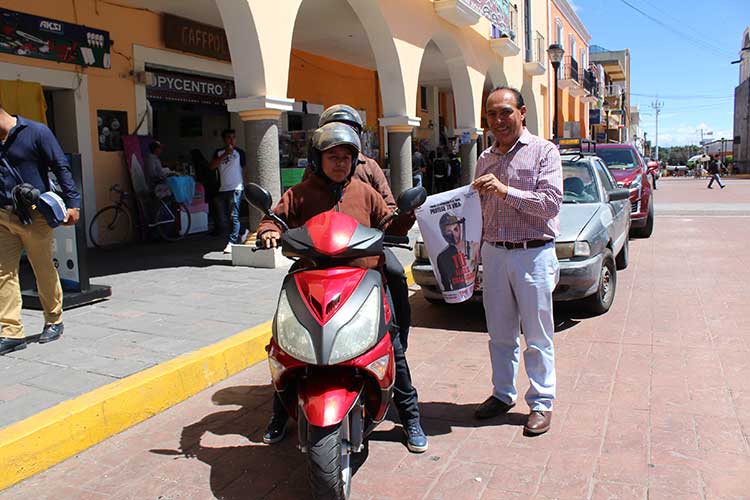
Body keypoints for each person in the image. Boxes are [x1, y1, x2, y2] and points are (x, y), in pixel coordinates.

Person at [258, 122, 428, 453]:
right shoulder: (301, 193)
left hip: (361, 283)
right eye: (332, 156)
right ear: (316, 159)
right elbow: (275, 218)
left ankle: (410, 418)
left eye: (347, 157)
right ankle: (280, 413)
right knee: (284, 346)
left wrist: (406, 215)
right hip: (313, 282)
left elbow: (388, 220)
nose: (340, 163)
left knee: (392, 345)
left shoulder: (365, 192)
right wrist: (268, 230)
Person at [471, 86, 563, 435]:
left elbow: (551, 204)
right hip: (495, 254)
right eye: (492, 114)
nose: (499, 120)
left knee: (538, 335)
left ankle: (541, 402)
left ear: (522, 112)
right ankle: (503, 393)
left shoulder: (544, 152)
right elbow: (479, 210)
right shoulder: (484, 158)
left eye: (506, 112)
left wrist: (506, 190)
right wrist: (474, 257)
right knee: (499, 333)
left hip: (534, 254)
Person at [0, 105, 80, 355]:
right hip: (3, 214)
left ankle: (54, 320)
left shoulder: (36, 131)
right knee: (3, 273)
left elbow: (61, 166)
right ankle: (11, 331)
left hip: (35, 214)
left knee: (42, 267)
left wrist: (73, 204)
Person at [210, 129, 249, 253]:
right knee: (226, 216)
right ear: (224, 139)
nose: (231, 140)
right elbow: (212, 166)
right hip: (223, 188)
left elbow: (245, 169)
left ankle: (232, 242)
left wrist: (246, 185)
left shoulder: (240, 153)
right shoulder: (219, 152)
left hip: (236, 188)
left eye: (233, 137)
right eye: (228, 137)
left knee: (234, 215)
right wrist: (225, 154)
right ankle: (243, 231)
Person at [436, 213, 470, 291]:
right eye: (449, 232)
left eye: (455, 229)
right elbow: (445, 283)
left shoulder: (473, 247)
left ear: (460, 228)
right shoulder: (442, 257)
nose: (454, 235)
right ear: (443, 234)